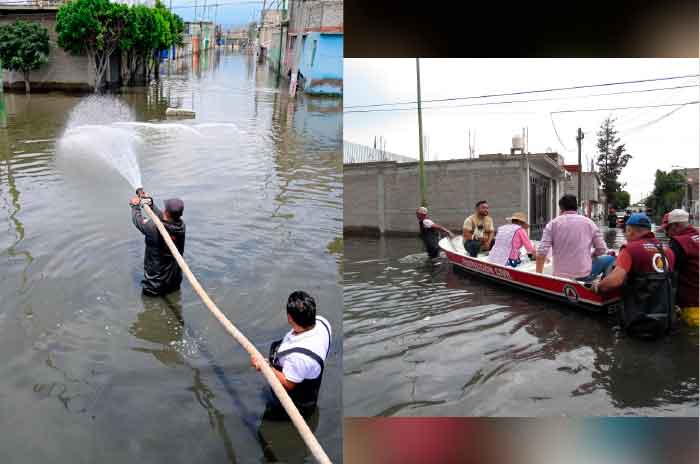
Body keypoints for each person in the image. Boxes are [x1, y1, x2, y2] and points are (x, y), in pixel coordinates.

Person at [592, 213, 676, 337]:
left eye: (626, 231)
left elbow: (615, 281)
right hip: (664, 322)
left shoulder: (630, 249)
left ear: (630, 231)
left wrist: (598, 286)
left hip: (638, 322)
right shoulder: (667, 250)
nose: (625, 235)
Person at [251, 291, 332, 418]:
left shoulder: (300, 358)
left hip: (297, 405)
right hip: (304, 376)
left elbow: (288, 384)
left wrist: (264, 367)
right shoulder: (322, 322)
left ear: (289, 317)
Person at [536, 194, 613, 280]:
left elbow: (541, 252)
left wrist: (538, 277)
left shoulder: (552, 224)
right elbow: (602, 249)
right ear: (576, 207)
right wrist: (593, 255)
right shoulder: (589, 223)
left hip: (560, 277)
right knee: (610, 258)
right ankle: (602, 286)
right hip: (583, 275)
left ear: (561, 208)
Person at [130, 190, 186, 296]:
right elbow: (165, 218)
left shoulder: (153, 228)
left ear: (166, 212)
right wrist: (151, 205)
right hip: (174, 283)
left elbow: (137, 220)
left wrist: (134, 206)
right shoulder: (181, 226)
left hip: (154, 286)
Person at [661, 209, 699, 327]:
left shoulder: (678, 242)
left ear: (676, 226)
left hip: (693, 306)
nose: (666, 234)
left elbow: (664, 270)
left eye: (667, 229)